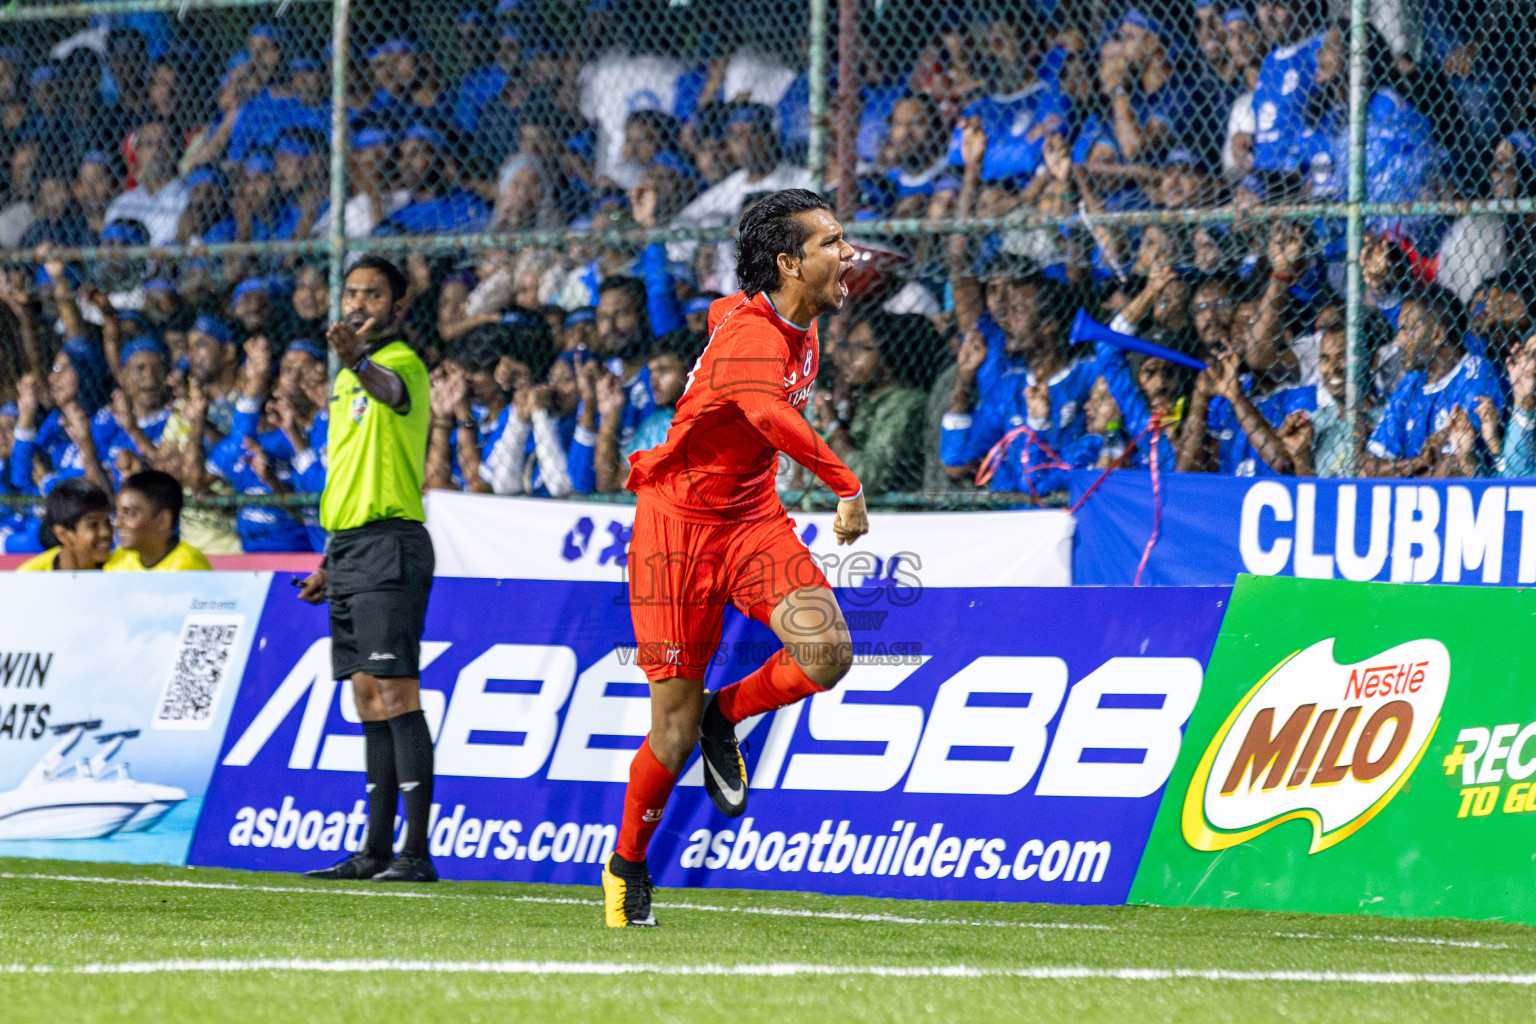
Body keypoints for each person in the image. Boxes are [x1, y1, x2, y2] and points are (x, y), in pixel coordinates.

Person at [606, 189, 867, 928]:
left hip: (750, 518)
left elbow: (729, 321)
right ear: (789, 264)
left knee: (826, 651)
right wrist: (845, 484)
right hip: (676, 533)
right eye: (832, 242)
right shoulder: (756, 334)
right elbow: (766, 412)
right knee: (670, 730)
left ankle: (729, 712)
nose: (847, 253)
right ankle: (627, 864)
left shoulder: (785, 319)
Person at [297, 256, 436, 884]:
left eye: (373, 294)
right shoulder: (347, 379)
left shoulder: (399, 364)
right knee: (365, 698)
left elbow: (391, 390)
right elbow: (349, 470)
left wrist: (355, 357)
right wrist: (329, 557)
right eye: (352, 292)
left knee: (396, 691)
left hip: (391, 544)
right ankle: (375, 851)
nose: (359, 302)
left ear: (397, 305)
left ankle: (416, 853)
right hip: (350, 548)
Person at [103, 470, 213, 571]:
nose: (117, 523)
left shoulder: (188, 567)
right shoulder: (120, 557)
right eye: (118, 513)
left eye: (129, 513)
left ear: (163, 521)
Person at [16, 477, 113, 571]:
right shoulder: (31, 577)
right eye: (93, 525)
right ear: (63, 535)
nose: (106, 532)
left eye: (108, 522)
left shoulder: (123, 568)